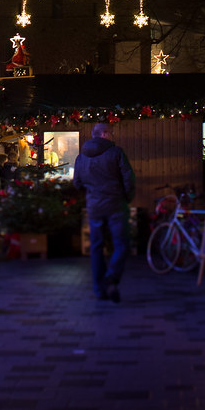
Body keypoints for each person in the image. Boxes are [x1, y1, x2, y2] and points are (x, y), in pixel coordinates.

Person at [73, 122, 135, 303]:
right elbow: (128, 178)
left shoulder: (81, 157)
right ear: (105, 134)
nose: (113, 136)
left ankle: (99, 289)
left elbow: (77, 183)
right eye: (111, 133)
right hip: (116, 204)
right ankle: (111, 277)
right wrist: (127, 197)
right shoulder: (116, 153)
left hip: (94, 206)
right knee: (122, 244)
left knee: (96, 247)